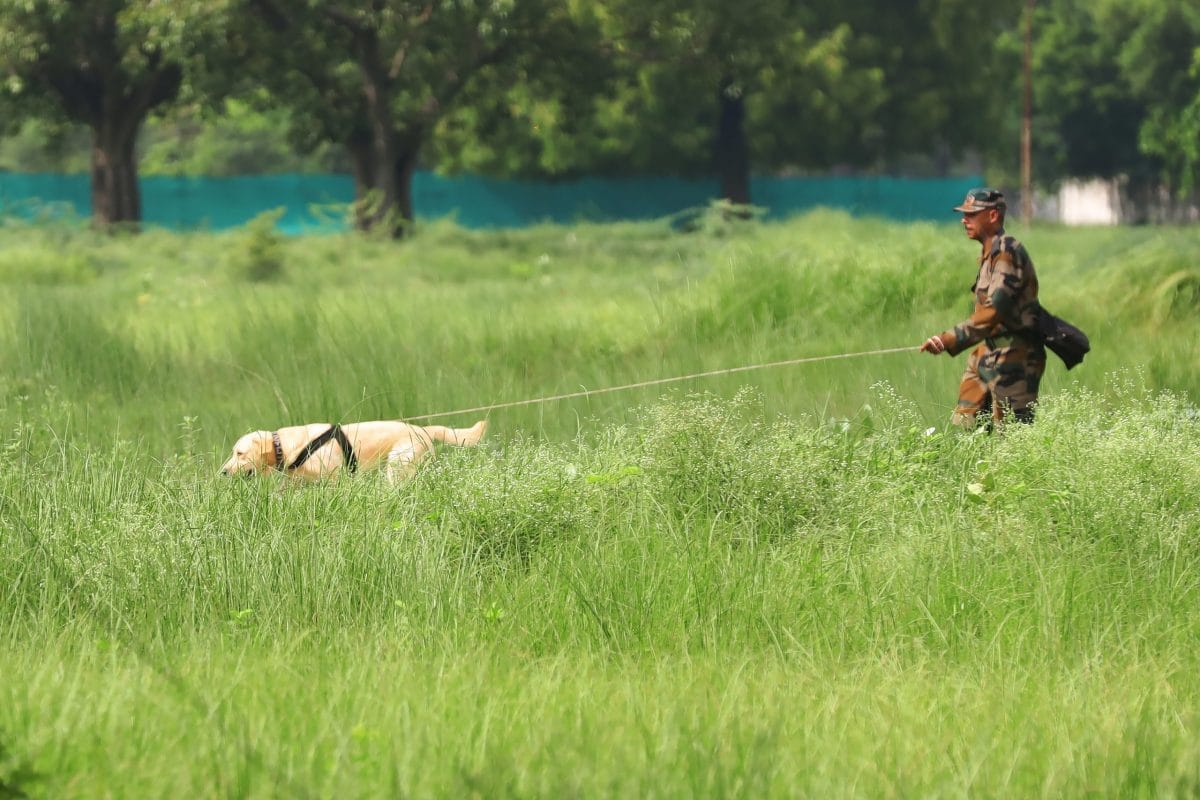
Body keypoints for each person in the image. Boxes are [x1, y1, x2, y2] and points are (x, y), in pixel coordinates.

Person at [920, 188, 1045, 429]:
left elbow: (992, 313)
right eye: (964, 214)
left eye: (972, 214)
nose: (964, 219)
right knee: (966, 427)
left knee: (1012, 440)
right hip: (986, 354)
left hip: (1015, 360)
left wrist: (947, 339)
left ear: (993, 216)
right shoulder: (990, 254)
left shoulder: (1008, 253)